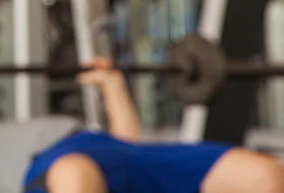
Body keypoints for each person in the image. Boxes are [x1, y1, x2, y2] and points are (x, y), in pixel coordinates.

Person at [23, 58, 284, 193]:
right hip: (75, 171)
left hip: (147, 168)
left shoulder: (109, 143)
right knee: (74, 172)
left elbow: (127, 140)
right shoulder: (58, 156)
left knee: (268, 175)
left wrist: (112, 84)